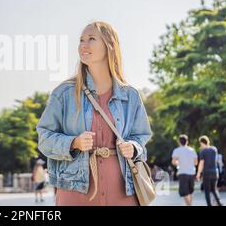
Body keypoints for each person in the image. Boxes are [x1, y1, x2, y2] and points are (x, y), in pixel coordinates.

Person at [36, 21, 152, 206]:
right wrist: (73, 142)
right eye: (81, 40)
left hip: (123, 192)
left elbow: (141, 136)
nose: (84, 44)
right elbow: (44, 139)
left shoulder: (130, 95)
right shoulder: (64, 93)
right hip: (75, 192)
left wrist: (134, 146)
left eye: (91, 39)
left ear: (109, 46)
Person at [171, 134, 198, 206]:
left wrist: (178, 163)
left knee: (185, 192)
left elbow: (174, 162)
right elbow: (196, 163)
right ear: (187, 141)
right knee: (190, 191)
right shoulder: (192, 150)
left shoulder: (176, 150)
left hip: (182, 173)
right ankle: (190, 204)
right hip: (192, 173)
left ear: (179, 142)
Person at [196, 136, 223, 206]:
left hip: (207, 173)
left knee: (207, 191)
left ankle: (209, 204)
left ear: (202, 142)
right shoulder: (214, 149)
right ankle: (219, 203)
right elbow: (216, 160)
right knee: (214, 190)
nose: (200, 145)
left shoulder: (203, 151)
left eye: (200, 144)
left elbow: (201, 163)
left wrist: (198, 174)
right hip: (214, 172)